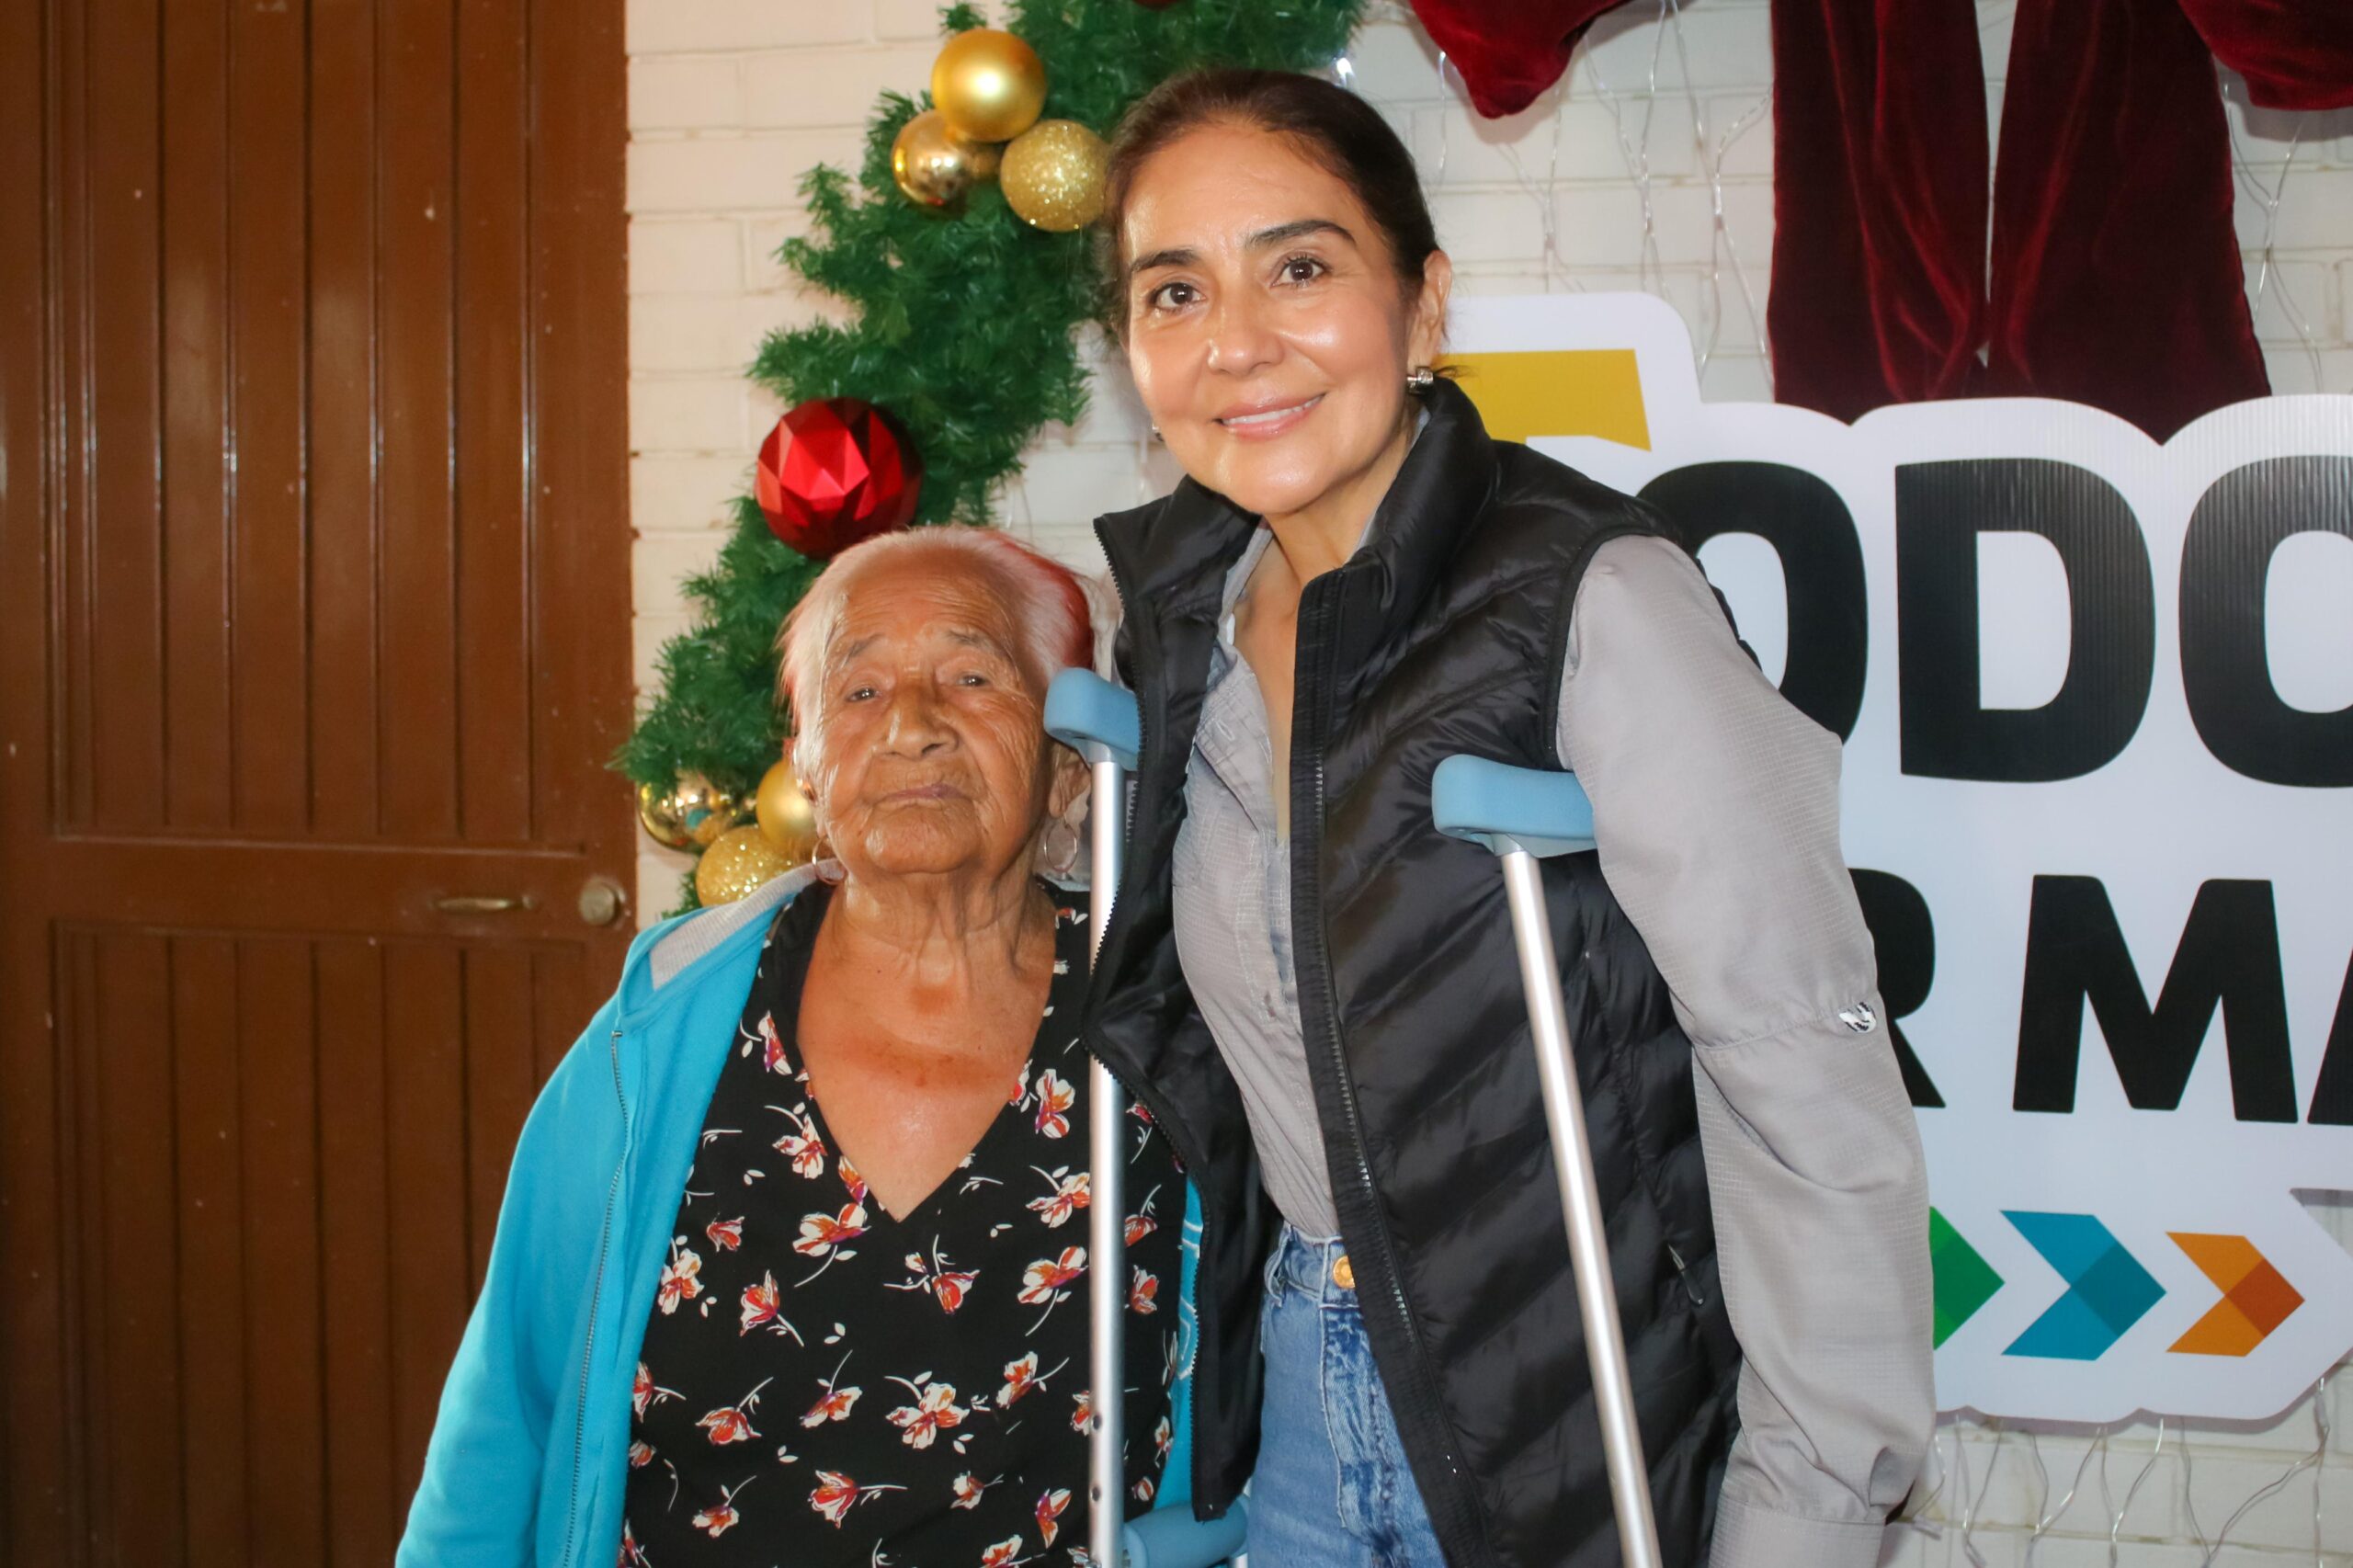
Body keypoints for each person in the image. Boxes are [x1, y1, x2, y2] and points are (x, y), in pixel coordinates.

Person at [1075, 68, 1933, 1568]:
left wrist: (1809, 1518)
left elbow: (1804, 1074)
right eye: (1175, 292)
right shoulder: (1177, 627)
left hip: (1578, 1425)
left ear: (1422, 307)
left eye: (1299, 268)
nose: (1237, 341)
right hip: (1302, 1407)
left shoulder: (1595, 596)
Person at [398, 528, 1187, 1568]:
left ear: (1067, 769)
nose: (912, 726)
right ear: (808, 767)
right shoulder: (665, 1033)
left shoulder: (1161, 1029)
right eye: (859, 691)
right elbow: (508, 1409)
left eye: (972, 676)